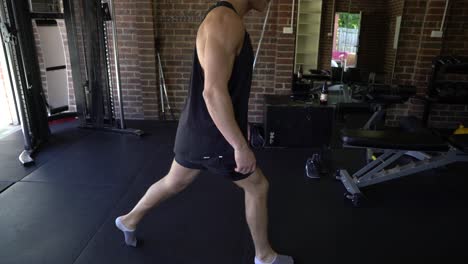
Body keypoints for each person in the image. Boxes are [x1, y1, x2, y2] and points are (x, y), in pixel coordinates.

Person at [115, 1, 294, 263]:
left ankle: (129, 220)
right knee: (257, 186)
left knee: (174, 182)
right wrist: (240, 146)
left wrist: (239, 128)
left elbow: (224, 89)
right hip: (212, 135)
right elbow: (212, 92)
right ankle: (265, 256)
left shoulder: (224, 19)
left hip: (197, 129)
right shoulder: (224, 21)